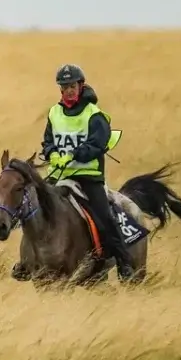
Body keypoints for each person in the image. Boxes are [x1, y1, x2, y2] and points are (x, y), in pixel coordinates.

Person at [26, 63, 134, 282]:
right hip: (61, 176)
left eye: (72, 85)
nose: (69, 90)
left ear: (81, 85)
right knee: (32, 208)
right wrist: (52, 153)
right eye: (64, 86)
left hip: (89, 178)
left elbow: (98, 143)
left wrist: (75, 154)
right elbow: (48, 140)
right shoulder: (54, 112)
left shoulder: (95, 115)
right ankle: (27, 261)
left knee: (104, 218)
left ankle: (124, 263)